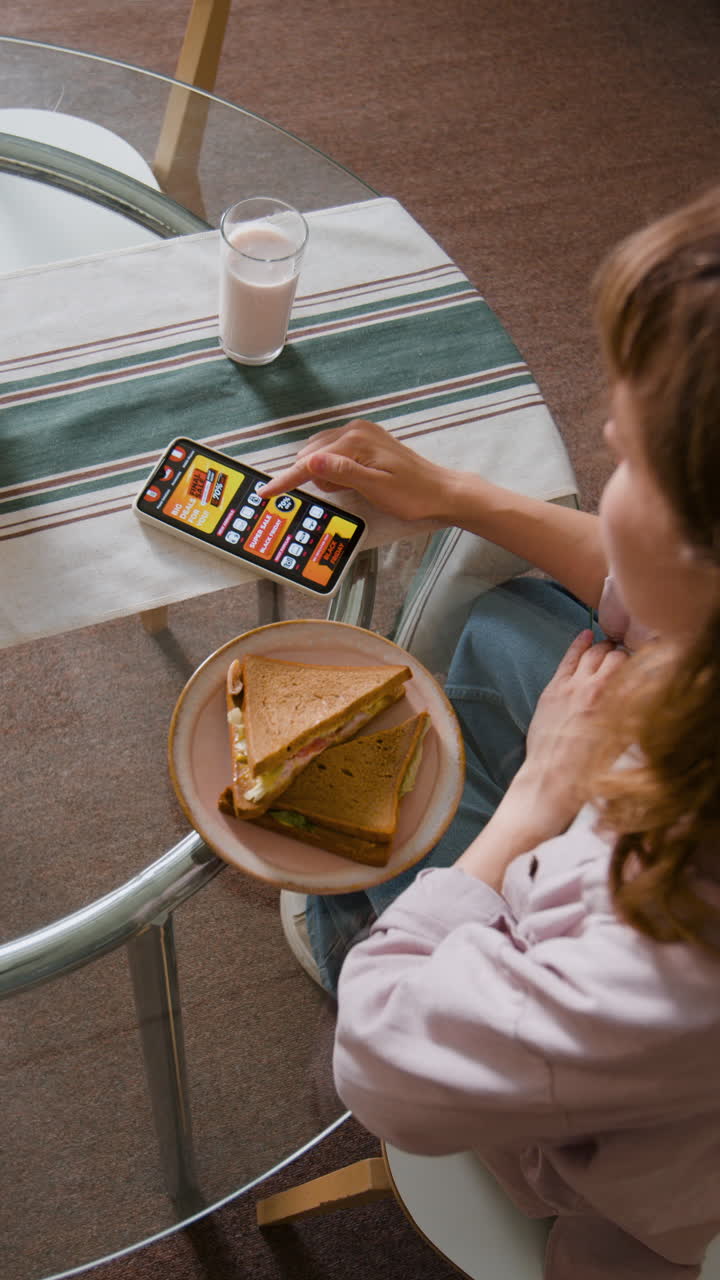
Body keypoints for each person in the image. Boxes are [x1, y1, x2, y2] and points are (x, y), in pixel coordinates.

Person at [258, 185, 720, 1278]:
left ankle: (345, 928)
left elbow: (382, 1067)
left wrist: (534, 804)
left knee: (363, 942)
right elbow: (638, 595)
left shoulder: (661, 948)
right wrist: (456, 492)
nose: (602, 445)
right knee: (518, 622)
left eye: (630, 458)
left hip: (603, 1164)